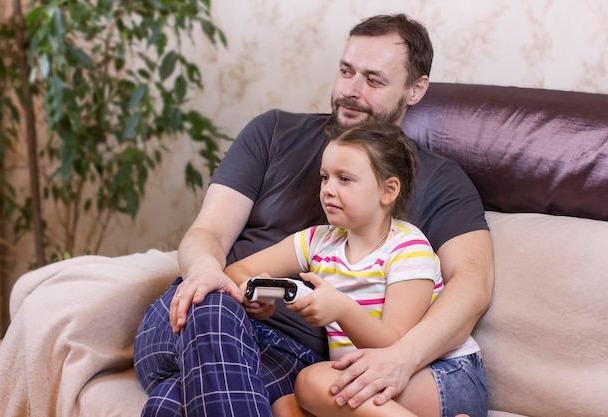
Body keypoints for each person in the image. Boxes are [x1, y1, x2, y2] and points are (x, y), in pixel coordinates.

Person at [133, 13, 494, 417]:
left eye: (373, 80)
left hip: (290, 354)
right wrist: (207, 272)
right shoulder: (272, 132)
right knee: (215, 303)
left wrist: (402, 357)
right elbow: (209, 232)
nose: (352, 90)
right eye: (346, 71)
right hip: (197, 313)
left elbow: (472, 285)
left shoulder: (440, 181)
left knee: (171, 403)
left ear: (416, 89)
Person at [224, 121, 487, 417]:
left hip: (443, 375)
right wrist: (253, 295)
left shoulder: (408, 248)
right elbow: (237, 270)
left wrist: (342, 310)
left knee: (311, 381)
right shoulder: (317, 240)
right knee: (285, 408)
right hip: (367, 375)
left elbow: (394, 345)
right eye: (325, 178)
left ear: (388, 191)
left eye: (344, 179)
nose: (327, 190)